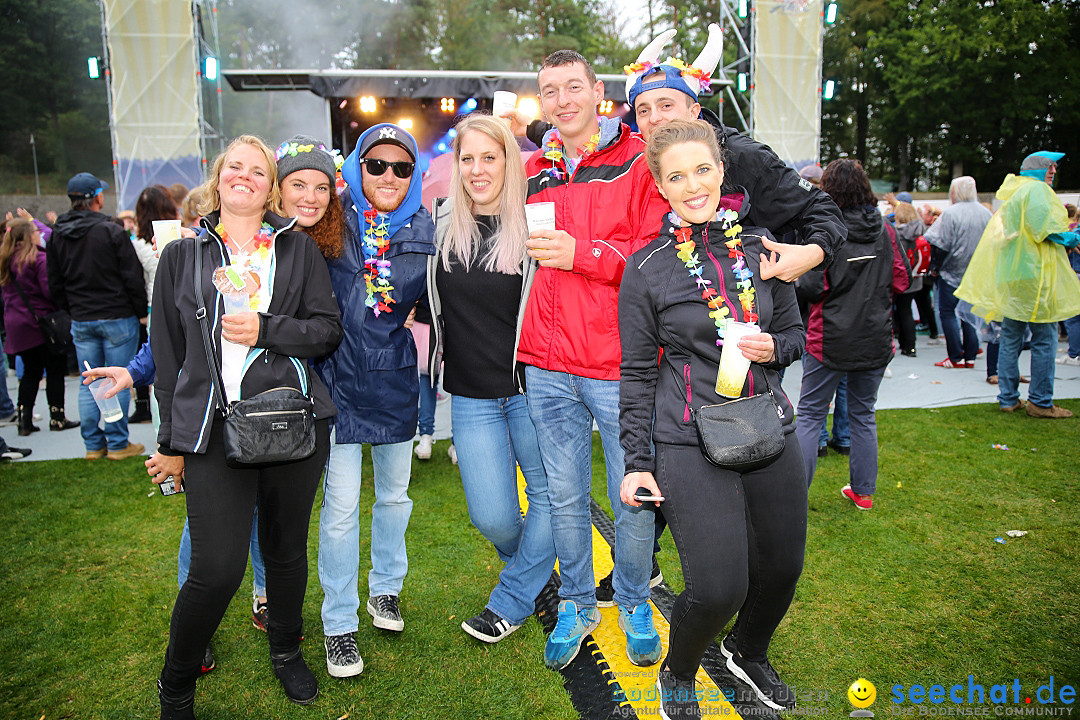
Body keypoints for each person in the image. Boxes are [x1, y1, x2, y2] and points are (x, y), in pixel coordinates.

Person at [619, 120, 807, 716]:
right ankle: (677, 671)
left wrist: (775, 349)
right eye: (676, 176)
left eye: (703, 169)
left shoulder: (763, 248)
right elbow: (636, 372)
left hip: (767, 424)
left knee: (782, 568)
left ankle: (747, 651)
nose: (693, 185)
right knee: (719, 586)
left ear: (722, 171)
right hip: (688, 438)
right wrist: (636, 462)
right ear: (660, 186)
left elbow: (796, 333)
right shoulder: (647, 268)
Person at [151, 134, 343, 716]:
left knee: (285, 553)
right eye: (235, 167)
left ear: (270, 189)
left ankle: (286, 651)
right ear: (219, 175)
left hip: (292, 423)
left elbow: (326, 330)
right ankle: (177, 678)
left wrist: (267, 329)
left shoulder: (297, 249)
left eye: (257, 172)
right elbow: (166, 356)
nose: (245, 177)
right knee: (217, 567)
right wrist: (170, 444)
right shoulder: (182, 256)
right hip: (212, 429)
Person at [515, 49, 670, 672]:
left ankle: (633, 601)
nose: (562, 100)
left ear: (597, 91)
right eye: (550, 91)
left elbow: (653, 259)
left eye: (572, 87)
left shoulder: (637, 160)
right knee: (562, 494)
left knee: (631, 493)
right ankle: (578, 601)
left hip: (617, 362)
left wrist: (582, 253)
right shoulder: (535, 166)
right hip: (547, 362)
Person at [509, 26, 847, 283]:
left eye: (667, 106)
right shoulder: (646, 155)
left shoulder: (743, 158)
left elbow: (821, 208)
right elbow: (581, 137)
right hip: (671, 333)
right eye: (644, 110)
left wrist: (811, 254)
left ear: (695, 109)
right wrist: (532, 128)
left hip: (734, 326)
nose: (655, 118)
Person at [425, 114, 555, 643]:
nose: (478, 169)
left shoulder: (533, 223)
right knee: (493, 517)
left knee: (549, 494)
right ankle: (534, 566)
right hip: (472, 394)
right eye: (467, 158)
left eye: (489, 157)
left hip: (534, 390)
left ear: (509, 161)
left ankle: (511, 599)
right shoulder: (440, 225)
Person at [314, 123, 434, 678]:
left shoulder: (425, 227)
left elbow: (439, 299)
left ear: (414, 175)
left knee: (395, 499)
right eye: (377, 165)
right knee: (339, 513)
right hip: (334, 381)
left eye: (402, 167)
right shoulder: (327, 221)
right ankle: (338, 625)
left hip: (391, 380)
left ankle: (385, 590)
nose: (388, 176)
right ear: (357, 167)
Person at [795, 159, 910, 511]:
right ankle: (862, 491)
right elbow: (902, 280)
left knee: (812, 413)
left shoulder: (831, 230)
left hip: (831, 337)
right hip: (870, 336)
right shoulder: (885, 230)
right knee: (862, 414)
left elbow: (811, 285)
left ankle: (798, 495)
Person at [957, 151, 1080, 418]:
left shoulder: (1014, 193)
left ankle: (1008, 398)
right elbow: (1043, 230)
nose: (1054, 171)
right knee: (1045, 338)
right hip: (1036, 278)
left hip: (1015, 276)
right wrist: (1070, 238)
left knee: (1011, 337)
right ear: (1037, 169)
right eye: (1050, 166)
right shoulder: (1037, 191)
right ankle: (1040, 402)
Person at [47, 172, 147, 460]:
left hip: (82, 317)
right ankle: (117, 444)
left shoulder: (57, 235)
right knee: (117, 378)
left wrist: (71, 310)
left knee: (87, 381)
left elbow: (54, 282)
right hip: (117, 316)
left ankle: (93, 445)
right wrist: (141, 312)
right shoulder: (111, 231)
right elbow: (132, 276)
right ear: (97, 198)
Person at [0, 217, 79, 434]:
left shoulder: (5, 261)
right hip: (41, 323)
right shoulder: (37, 259)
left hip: (16, 324)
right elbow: (49, 291)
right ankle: (57, 416)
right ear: (29, 235)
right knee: (54, 368)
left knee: (30, 372)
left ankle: (24, 420)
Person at [924, 177, 992, 369]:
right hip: (974, 272)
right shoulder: (985, 213)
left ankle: (955, 356)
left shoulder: (951, 214)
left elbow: (940, 243)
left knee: (947, 312)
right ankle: (970, 355)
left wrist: (935, 268)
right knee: (968, 313)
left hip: (951, 270)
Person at [130, 184, 176, 423]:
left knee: (159, 377)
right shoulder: (178, 235)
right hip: (177, 307)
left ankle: (162, 435)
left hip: (153, 309)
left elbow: (136, 281)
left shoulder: (136, 245)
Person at [892, 201, 927, 356]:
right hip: (916, 277)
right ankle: (910, 346)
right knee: (907, 311)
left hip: (900, 278)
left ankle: (901, 343)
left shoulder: (896, 233)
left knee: (899, 311)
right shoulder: (920, 230)